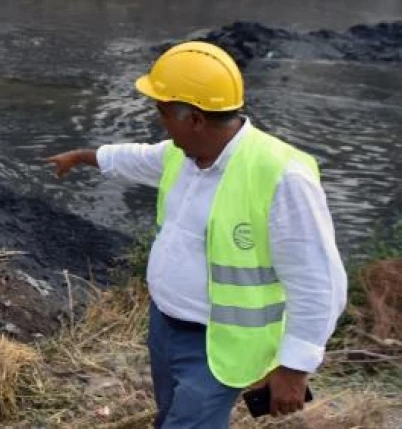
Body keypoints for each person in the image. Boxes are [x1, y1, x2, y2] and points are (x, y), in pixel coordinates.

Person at [47, 41, 346, 428]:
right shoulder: (182, 153)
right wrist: (83, 157)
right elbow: (135, 158)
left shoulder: (282, 177)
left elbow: (319, 282)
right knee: (170, 415)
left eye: (162, 112)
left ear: (196, 119)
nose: (159, 122)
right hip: (166, 326)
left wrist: (295, 366)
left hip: (219, 345)